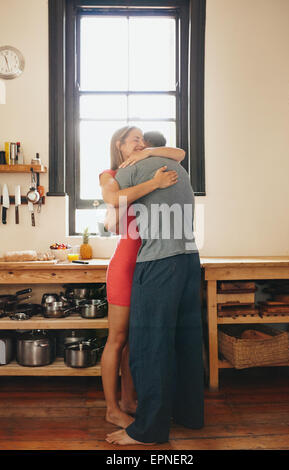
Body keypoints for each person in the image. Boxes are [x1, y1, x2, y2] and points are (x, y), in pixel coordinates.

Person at [105, 153, 205, 445]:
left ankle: (149, 431)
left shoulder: (130, 169)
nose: (137, 146)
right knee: (185, 342)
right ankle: (188, 415)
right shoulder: (179, 167)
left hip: (159, 263)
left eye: (139, 141)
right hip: (189, 260)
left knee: (150, 347)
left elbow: (111, 215)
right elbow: (182, 152)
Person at [99, 126, 186, 429]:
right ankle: (112, 409)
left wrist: (149, 154)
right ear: (119, 144)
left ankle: (129, 401)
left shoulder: (144, 164)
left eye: (142, 139)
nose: (141, 142)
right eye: (134, 139)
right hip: (126, 264)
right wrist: (154, 183)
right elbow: (112, 201)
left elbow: (180, 154)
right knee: (118, 339)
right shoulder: (110, 173)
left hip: (150, 263)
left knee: (135, 341)